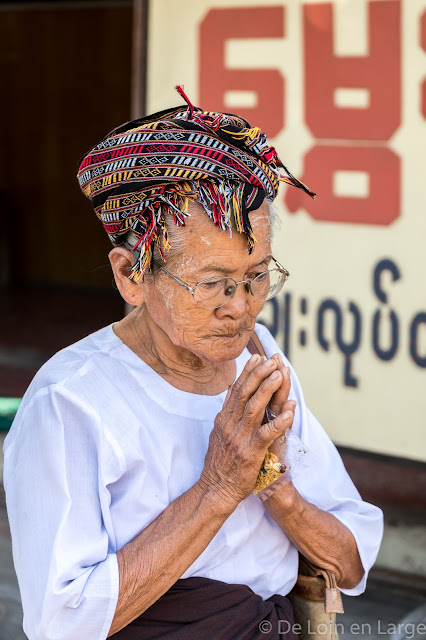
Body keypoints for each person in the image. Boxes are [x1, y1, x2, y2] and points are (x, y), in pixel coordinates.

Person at [3, 87, 383, 640]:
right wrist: (219, 488)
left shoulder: (259, 356)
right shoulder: (71, 403)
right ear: (131, 275)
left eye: (256, 276)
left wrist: (275, 487)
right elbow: (62, 624)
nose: (241, 306)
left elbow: (349, 565)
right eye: (211, 283)